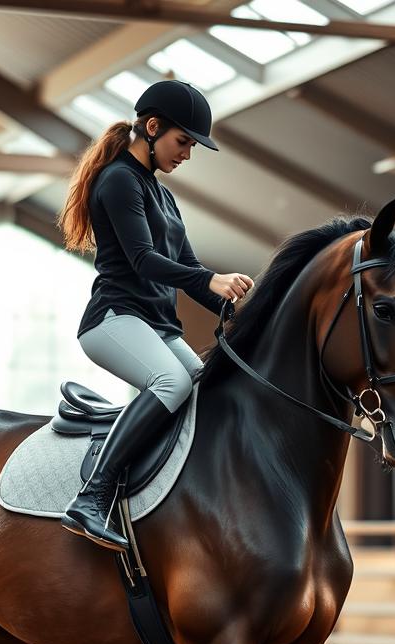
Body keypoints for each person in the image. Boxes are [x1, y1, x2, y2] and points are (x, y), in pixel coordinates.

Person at [56, 79, 254, 551]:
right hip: (114, 320)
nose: (187, 154)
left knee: (204, 389)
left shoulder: (162, 196)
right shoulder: (119, 180)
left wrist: (240, 311)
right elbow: (144, 261)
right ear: (151, 127)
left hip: (158, 326)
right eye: (183, 141)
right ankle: (91, 498)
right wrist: (210, 280)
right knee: (173, 382)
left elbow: (187, 268)